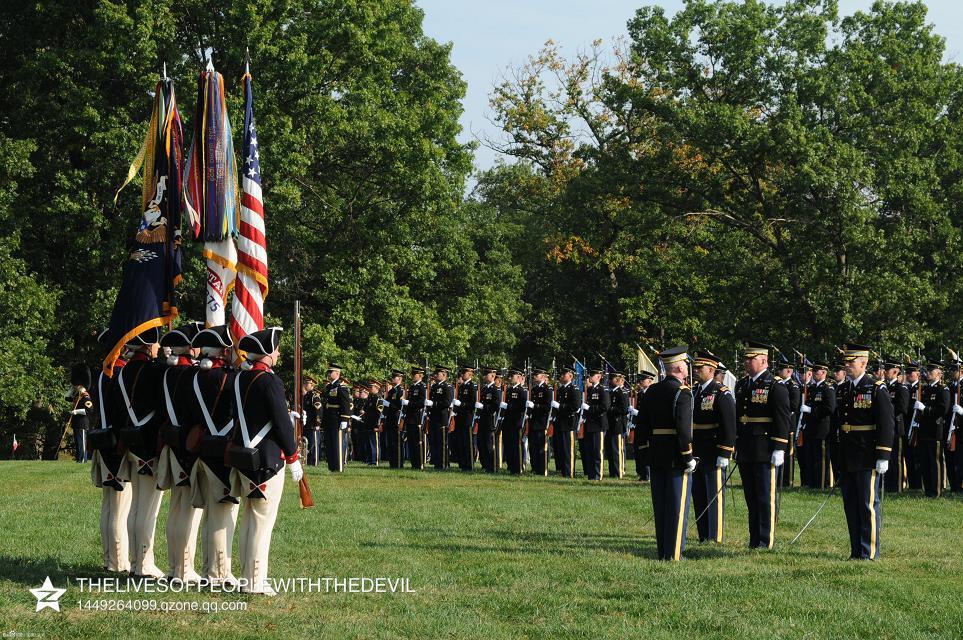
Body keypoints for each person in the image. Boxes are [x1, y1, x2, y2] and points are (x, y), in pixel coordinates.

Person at [228, 327, 301, 595]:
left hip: (243, 456)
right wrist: (293, 456)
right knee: (261, 522)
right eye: (277, 349)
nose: (279, 353)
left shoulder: (239, 379)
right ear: (268, 353)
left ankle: (247, 576)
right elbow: (282, 424)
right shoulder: (270, 381)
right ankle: (255, 581)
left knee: (249, 520)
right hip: (267, 460)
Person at [109, 326, 165, 578]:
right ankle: (144, 562)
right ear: (149, 345)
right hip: (149, 445)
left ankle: (135, 562)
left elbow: (118, 411)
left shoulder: (122, 372)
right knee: (148, 507)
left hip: (130, 441)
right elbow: (162, 410)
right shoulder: (156, 371)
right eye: (156, 344)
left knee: (135, 508)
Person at [188, 324, 239, 585]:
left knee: (211, 514)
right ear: (221, 350)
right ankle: (218, 573)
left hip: (202, 448)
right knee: (222, 515)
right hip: (221, 451)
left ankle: (209, 567)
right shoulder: (230, 378)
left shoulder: (194, 376)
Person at [635, 346, 695, 561]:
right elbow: (683, 429)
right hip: (676, 455)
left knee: (660, 506)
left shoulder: (652, 390)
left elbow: (641, 425)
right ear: (679, 367)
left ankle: (663, 551)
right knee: (677, 507)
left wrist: (643, 452)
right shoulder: (683, 392)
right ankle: (674, 553)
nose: (687, 367)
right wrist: (688, 456)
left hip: (656, 453)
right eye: (686, 364)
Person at [155, 321, 204, 583]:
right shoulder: (193, 375)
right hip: (188, 446)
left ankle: (175, 566)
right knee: (188, 510)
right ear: (191, 348)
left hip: (172, 442)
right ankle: (184, 569)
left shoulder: (167, 372)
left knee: (176, 508)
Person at [836, 344, 895, 560]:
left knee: (866, 504)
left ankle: (869, 551)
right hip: (848, 454)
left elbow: (886, 424)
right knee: (850, 504)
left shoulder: (876, 388)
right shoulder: (843, 388)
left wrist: (883, 455)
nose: (847, 366)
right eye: (846, 362)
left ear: (864, 363)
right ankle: (855, 550)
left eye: (851, 362)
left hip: (866, 454)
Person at [734, 341, 790, 550]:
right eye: (746, 359)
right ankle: (754, 538)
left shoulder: (775, 385)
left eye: (752, 359)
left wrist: (779, 448)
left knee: (765, 497)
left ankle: (766, 540)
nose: (747, 363)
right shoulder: (742, 385)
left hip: (765, 447)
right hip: (747, 447)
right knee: (751, 497)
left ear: (764, 360)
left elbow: (782, 419)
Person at [89, 329, 132, 573]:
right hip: (116, 443)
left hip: (102, 440)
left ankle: (109, 558)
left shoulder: (100, 373)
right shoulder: (119, 372)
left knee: (109, 505)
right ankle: (117, 561)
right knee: (119, 505)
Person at [689, 350, 736, 544]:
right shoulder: (695, 391)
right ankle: (703, 534)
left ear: (711, 369)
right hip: (697, 450)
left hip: (713, 450)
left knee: (713, 495)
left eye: (700, 368)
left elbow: (729, 425)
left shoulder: (721, 392)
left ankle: (714, 535)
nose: (696, 371)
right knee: (698, 493)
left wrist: (725, 451)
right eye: (695, 368)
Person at [913, 360, 949, 497]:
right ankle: (928, 489)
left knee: (935, 462)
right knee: (925, 462)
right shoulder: (926, 388)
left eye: (931, 371)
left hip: (935, 431)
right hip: (924, 430)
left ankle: (936, 490)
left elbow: (943, 409)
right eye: (927, 371)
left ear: (939, 374)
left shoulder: (942, 389)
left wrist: (925, 409)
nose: (928, 373)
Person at [799, 361, 837, 489]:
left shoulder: (828, 388)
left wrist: (811, 411)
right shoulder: (812, 388)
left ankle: (821, 484)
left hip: (822, 429)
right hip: (810, 428)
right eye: (814, 371)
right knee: (810, 458)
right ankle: (811, 483)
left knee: (821, 459)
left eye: (817, 371)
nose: (814, 373)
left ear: (824, 373)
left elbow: (830, 408)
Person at [882, 358, 909, 494]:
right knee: (887, 457)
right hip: (887, 427)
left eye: (887, 370)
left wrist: (887, 410)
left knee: (896, 460)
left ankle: (897, 486)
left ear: (895, 371)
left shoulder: (901, 388)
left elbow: (902, 408)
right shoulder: (884, 387)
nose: (885, 372)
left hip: (897, 427)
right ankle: (888, 485)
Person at [580, 367, 609, 480]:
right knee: (590, 451)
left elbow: (605, 407)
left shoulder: (603, 390)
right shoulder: (591, 390)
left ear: (598, 377)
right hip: (590, 425)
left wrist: (590, 408)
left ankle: (598, 475)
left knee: (598, 451)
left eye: (591, 375)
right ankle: (591, 475)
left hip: (599, 424)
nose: (589, 377)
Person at [322, 363, 351, 473]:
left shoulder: (341, 387)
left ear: (337, 373)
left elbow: (345, 404)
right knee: (330, 444)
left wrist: (344, 419)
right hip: (329, 419)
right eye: (328, 372)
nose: (329, 374)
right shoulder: (329, 387)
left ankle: (338, 467)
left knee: (337, 443)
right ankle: (332, 466)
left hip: (337, 419)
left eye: (331, 372)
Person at [552, 366, 581, 478]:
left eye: (564, 374)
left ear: (570, 376)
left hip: (569, 423)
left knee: (568, 450)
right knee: (561, 450)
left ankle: (569, 473)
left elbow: (575, 406)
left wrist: (560, 406)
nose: (561, 376)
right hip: (560, 423)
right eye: (561, 374)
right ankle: (563, 472)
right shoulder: (560, 390)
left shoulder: (574, 389)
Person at [427, 365, 454, 469]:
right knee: (434, 441)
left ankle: (443, 463)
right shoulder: (434, 386)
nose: (435, 375)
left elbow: (447, 402)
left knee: (442, 442)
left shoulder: (447, 387)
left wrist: (433, 404)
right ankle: (437, 462)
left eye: (437, 374)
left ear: (444, 375)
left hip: (442, 417)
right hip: (433, 417)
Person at [502, 368, 529, 474]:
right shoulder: (508, 390)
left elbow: (522, 407)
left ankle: (518, 467)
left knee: (517, 445)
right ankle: (511, 466)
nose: (509, 378)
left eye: (512, 376)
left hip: (517, 422)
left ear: (518, 377)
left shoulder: (522, 391)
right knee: (509, 445)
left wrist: (508, 407)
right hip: (508, 422)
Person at [452, 366, 478, 471]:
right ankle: (462, 464)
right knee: (461, 442)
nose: (462, 375)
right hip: (460, 418)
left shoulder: (473, 386)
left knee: (468, 442)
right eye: (462, 373)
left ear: (470, 374)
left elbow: (472, 404)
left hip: (468, 417)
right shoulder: (462, 386)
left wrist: (461, 404)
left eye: (465, 373)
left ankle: (469, 464)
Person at [477, 366, 502, 472]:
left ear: (492, 376)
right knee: (481, 443)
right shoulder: (484, 389)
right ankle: (484, 465)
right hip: (482, 419)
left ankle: (491, 466)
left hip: (490, 420)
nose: (483, 376)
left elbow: (496, 406)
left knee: (488, 444)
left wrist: (484, 407)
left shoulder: (495, 390)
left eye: (486, 374)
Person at [631, 370, 656, 481]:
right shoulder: (641, 393)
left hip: (648, 427)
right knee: (639, 449)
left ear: (650, 381)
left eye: (642, 379)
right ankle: (641, 473)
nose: (640, 382)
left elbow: (651, 412)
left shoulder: (653, 393)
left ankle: (648, 475)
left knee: (647, 450)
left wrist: (637, 413)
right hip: (639, 425)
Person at [528, 367, 552, 476]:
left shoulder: (547, 389)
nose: (534, 376)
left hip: (542, 422)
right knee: (533, 447)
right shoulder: (534, 389)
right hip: (533, 421)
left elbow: (547, 407)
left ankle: (542, 470)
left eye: (536, 375)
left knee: (542, 447)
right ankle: (535, 468)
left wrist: (535, 406)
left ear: (542, 376)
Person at [605, 372, 630, 479]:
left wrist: (610, 409)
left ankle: (618, 472)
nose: (611, 380)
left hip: (618, 424)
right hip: (610, 424)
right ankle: (612, 472)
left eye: (613, 378)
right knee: (610, 450)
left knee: (617, 450)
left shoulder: (622, 392)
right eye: (610, 378)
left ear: (618, 380)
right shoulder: (610, 392)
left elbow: (624, 409)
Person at [68, 363, 94, 463]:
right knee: (78, 443)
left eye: (77, 386)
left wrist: (76, 411)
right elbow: (67, 397)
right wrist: (72, 388)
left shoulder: (85, 396)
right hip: (76, 422)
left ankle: (83, 460)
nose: (76, 388)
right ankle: (79, 459)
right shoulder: (77, 396)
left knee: (82, 443)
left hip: (82, 423)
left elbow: (89, 410)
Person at [405, 366, 428, 469]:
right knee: (411, 441)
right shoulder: (412, 387)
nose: (412, 376)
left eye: (414, 375)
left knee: (418, 442)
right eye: (412, 375)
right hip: (410, 417)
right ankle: (414, 463)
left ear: (420, 376)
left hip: (417, 417)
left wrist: (409, 403)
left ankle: (420, 463)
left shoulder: (422, 387)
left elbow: (421, 402)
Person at [383, 370, 406, 468]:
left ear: (399, 379)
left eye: (394, 377)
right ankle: (392, 462)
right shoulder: (392, 390)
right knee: (391, 442)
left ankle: (399, 463)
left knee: (397, 442)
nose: (392, 379)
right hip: (390, 418)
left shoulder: (400, 390)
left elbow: (398, 405)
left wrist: (388, 404)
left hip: (396, 417)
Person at [358, 380, 383, 465]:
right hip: (367, 423)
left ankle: (375, 460)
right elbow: (365, 409)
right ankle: (370, 460)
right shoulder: (370, 398)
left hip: (374, 424)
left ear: (377, 388)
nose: (369, 389)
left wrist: (377, 425)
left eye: (371, 387)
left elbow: (379, 413)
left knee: (374, 443)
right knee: (369, 443)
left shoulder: (378, 398)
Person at [302, 376, 323, 466]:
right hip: (306, 424)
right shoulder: (306, 396)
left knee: (314, 445)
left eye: (307, 383)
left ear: (312, 385)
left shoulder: (314, 396)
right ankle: (308, 461)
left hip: (313, 425)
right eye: (305, 383)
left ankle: (314, 462)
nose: (305, 385)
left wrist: (317, 423)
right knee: (308, 445)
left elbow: (318, 410)